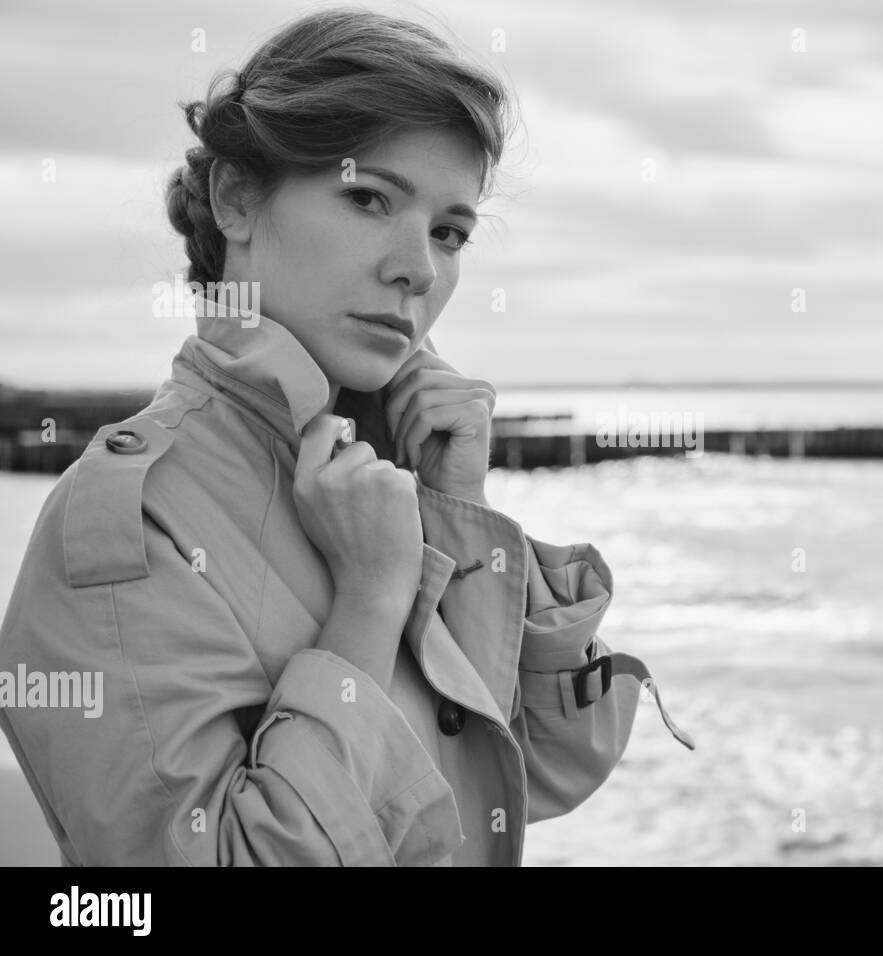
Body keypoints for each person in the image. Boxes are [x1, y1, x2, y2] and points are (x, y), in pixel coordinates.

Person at [0, 5, 692, 867]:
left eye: (449, 231)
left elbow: (536, 778)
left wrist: (461, 512)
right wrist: (368, 602)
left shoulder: (389, 476)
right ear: (236, 197)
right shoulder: (123, 524)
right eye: (369, 198)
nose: (420, 268)